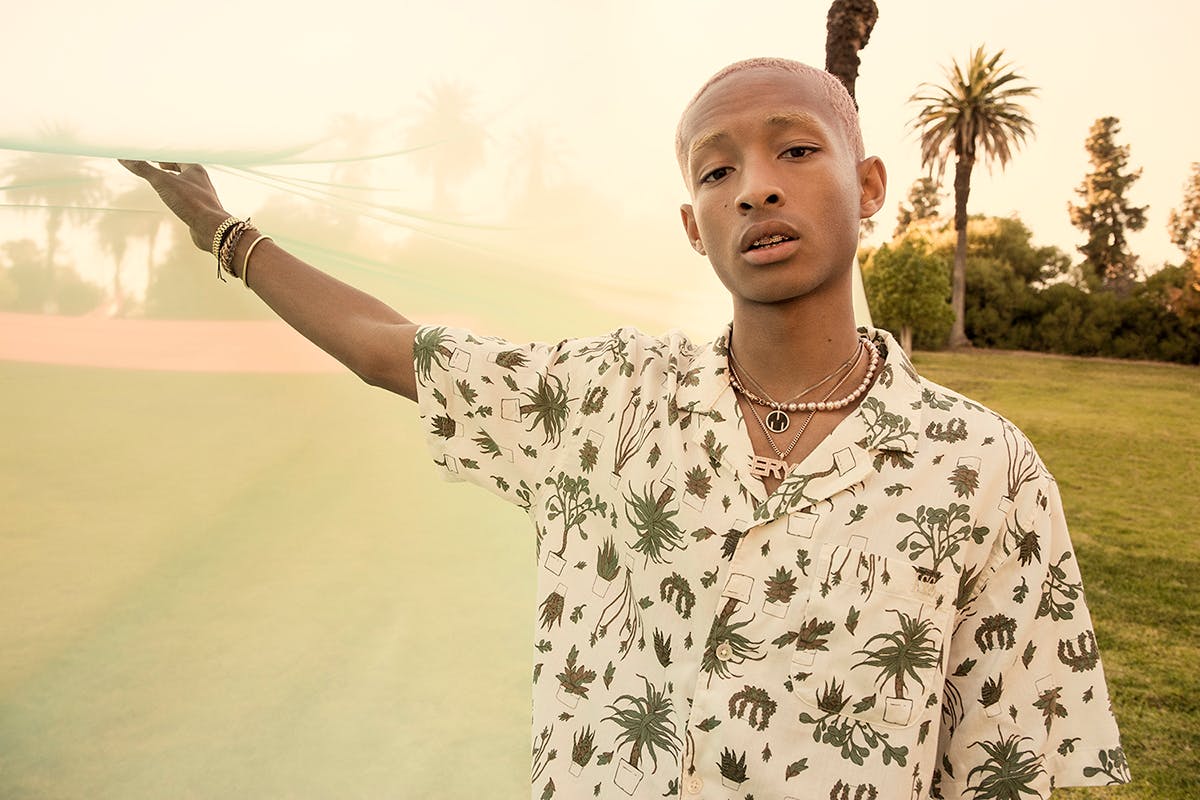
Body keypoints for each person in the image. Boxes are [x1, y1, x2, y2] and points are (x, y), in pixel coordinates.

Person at [122, 57, 1127, 800]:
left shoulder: (985, 468)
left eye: (794, 148)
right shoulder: (603, 399)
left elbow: (999, 766)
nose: (756, 187)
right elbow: (392, 347)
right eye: (715, 170)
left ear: (867, 188)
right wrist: (223, 230)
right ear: (695, 227)